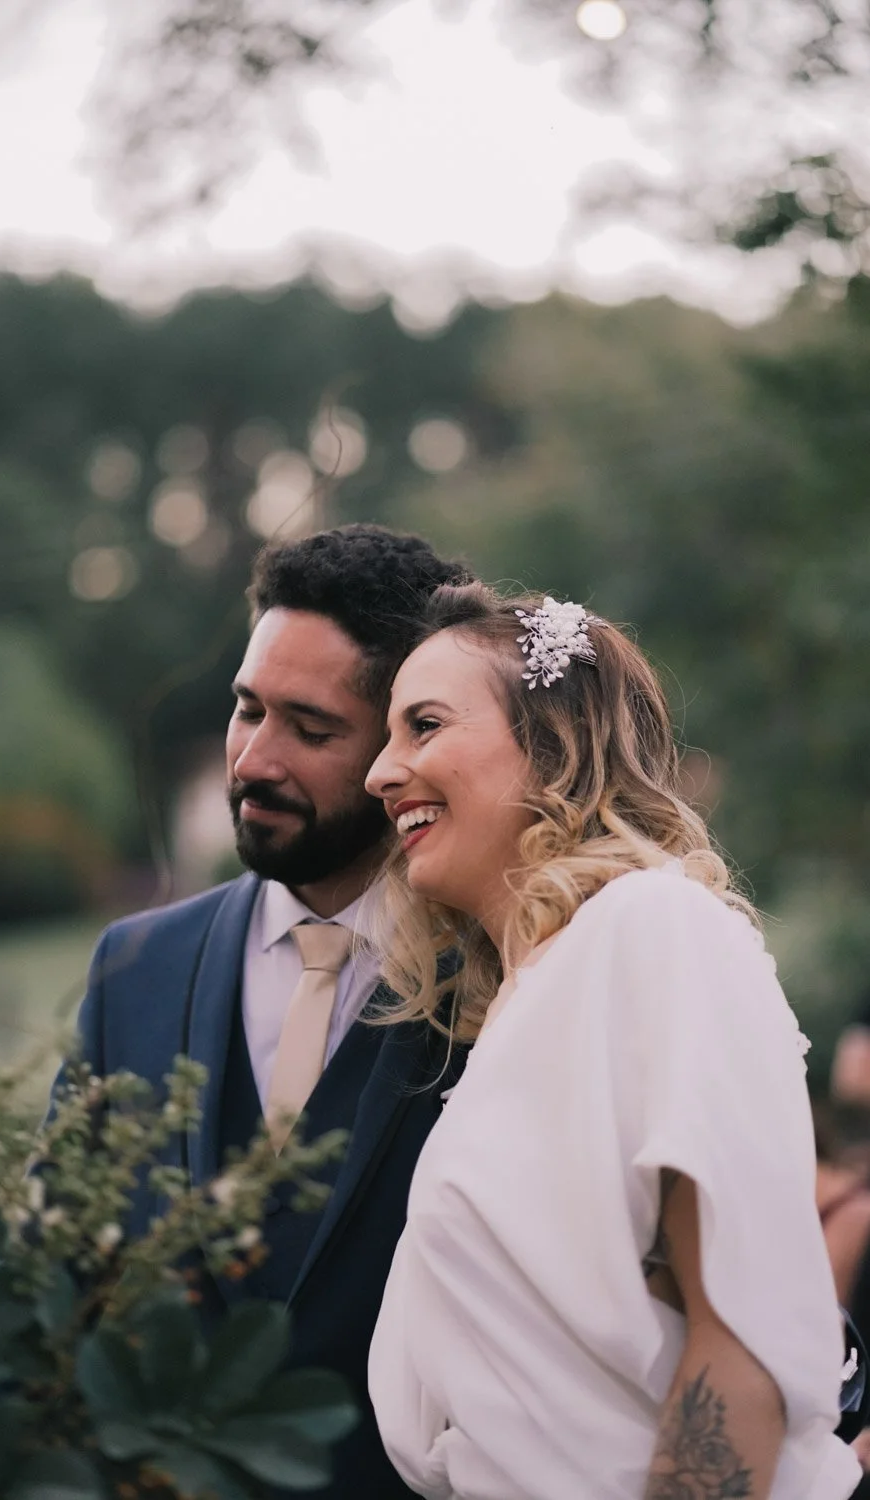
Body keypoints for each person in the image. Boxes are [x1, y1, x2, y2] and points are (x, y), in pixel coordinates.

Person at [363, 582, 860, 1500]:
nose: (380, 773)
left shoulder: (654, 928)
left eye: (423, 725)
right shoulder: (517, 1007)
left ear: (552, 742)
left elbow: (739, 1337)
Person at [59, 524, 474, 1500]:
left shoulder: (504, 981)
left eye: (310, 728)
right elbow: (59, 1274)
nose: (252, 760)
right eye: (247, 710)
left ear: (404, 743)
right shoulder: (131, 971)